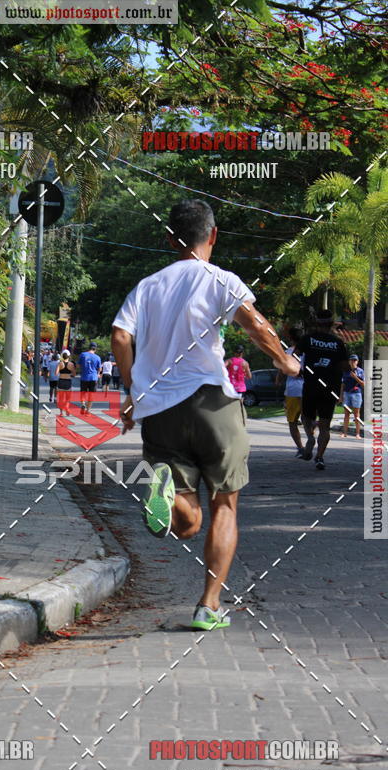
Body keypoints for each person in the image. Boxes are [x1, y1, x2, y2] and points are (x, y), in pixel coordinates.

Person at [111, 198, 299, 632]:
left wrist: (132, 389)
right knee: (225, 505)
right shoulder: (220, 279)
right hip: (213, 403)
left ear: (169, 239)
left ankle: (170, 493)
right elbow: (254, 323)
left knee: (186, 525)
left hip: (160, 411)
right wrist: (287, 362)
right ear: (212, 235)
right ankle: (208, 606)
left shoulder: (147, 286)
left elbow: (121, 336)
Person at [295, 310, 349, 470]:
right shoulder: (338, 342)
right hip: (330, 387)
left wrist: (301, 368)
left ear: (316, 323)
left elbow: (295, 356)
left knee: (306, 416)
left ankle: (310, 437)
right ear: (332, 323)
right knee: (325, 425)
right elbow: (345, 367)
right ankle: (319, 457)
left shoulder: (308, 339)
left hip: (311, 384)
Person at [277, 326, 304, 456]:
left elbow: (282, 369)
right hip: (307, 389)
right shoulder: (309, 352)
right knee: (308, 419)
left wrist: (278, 381)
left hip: (292, 390)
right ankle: (311, 438)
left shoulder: (287, 352)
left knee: (292, 421)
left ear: (290, 338)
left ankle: (300, 448)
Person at [340, 353, 365, 439]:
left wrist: (355, 377)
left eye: (355, 360)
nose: (353, 362)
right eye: (352, 360)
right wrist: (341, 396)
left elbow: (363, 384)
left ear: (357, 362)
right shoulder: (346, 372)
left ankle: (357, 434)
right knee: (346, 414)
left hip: (357, 393)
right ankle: (344, 433)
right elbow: (342, 385)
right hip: (347, 394)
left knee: (356, 415)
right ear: (349, 362)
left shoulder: (361, 371)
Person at [78, 341, 102, 414]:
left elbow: (79, 365)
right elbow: (99, 369)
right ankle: (88, 410)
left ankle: (83, 404)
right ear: (95, 349)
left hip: (84, 377)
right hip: (93, 378)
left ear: (89, 347)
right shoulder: (97, 357)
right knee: (91, 395)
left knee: (83, 393)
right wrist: (98, 374)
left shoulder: (82, 355)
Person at [56, 349, 76, 416]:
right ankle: (67, 407)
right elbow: (74, 374)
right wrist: (70, 375)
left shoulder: (60, 363)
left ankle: (61, 413)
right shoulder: (71, 364)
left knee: (61, 398)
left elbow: (56, 373)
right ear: (69, 356)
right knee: (68, 397)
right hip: (68, 381)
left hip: (61, 381)